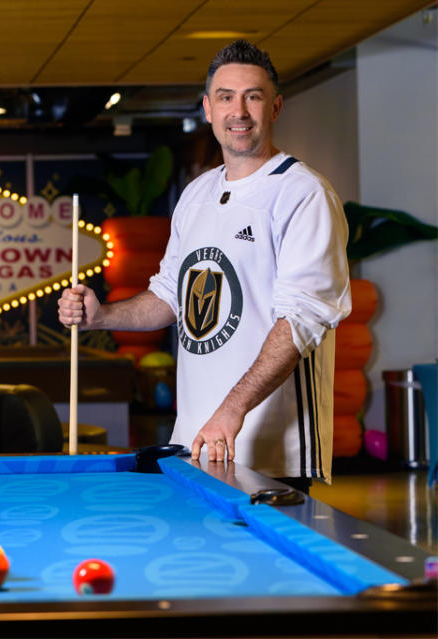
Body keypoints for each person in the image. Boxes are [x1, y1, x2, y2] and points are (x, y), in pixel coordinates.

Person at [59, 40, 351, 490]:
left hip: (271, 450)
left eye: (253, 96)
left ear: (274, 107)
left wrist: (231, 410)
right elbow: (170, 294)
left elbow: (300, 321)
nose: (239, 110)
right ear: (207, 109)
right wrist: (105, 315)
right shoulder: (196, 194)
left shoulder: (302, 193)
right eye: (225, 97)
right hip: (196, 442)